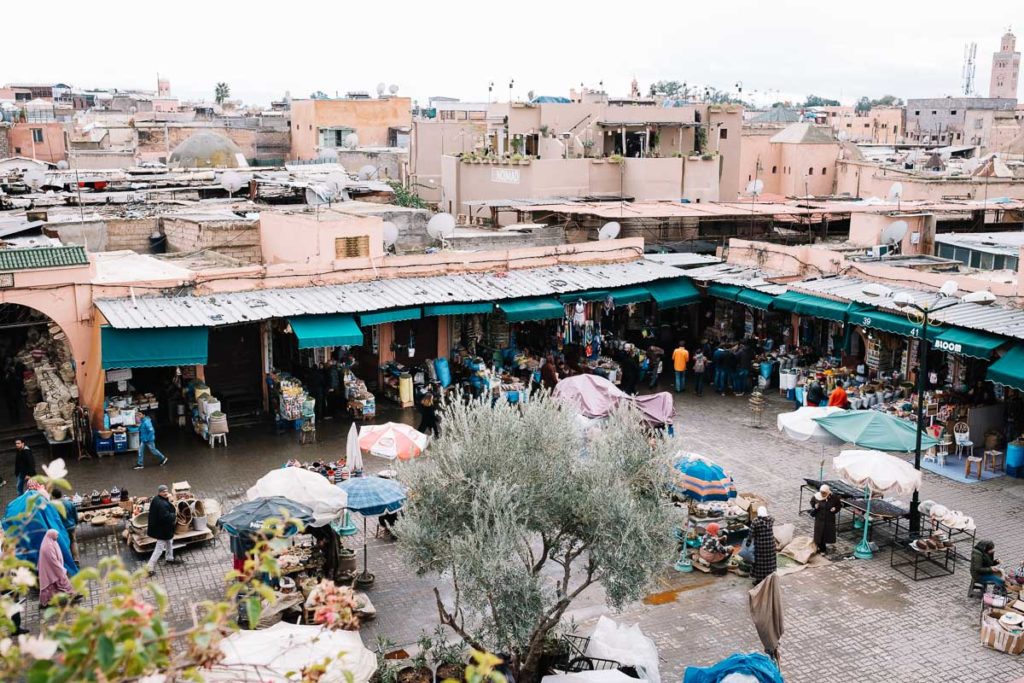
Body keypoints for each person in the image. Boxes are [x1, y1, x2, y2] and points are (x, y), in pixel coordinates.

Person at [146, 484, 181, 574]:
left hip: (161, 528)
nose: (165, 493)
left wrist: (169, 500)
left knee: (169, 542)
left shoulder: (156, 499)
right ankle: (149, 567)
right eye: (163, 492)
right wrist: (174, 515)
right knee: (159, 548)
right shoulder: (162, 504)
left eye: (166, 491)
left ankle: (169, 558)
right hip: (163, 530)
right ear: (159, 493)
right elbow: (165, 517)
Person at [38, 529, 76, 608]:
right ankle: (71, 594)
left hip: (52, 568)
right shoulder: (47, 547)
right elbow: (52, 560)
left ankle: (70, 595)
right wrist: (60, 569)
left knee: (54, 584)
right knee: (56, 582)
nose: (57, 536)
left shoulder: (51, 542)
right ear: (52, 535)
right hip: (49, 569)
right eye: (56, 535)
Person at [811, 484, 842, 555]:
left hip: (828, 519)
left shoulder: (834, 497)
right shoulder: (816, 496)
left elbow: (839, 505)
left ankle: (822, 549)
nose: (822, 494)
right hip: (819, 519)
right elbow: (812, 502)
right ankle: (820, 548)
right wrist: (815, 506)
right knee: (818, 535)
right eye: (821, 493)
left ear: (828, 492)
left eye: (824, 493)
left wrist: (835, 509)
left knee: (825, 535)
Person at [51, 488, 79, 565]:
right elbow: (75, 515)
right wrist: (76, 523)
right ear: (61, 495)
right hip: (71, 527)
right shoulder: (69, 503)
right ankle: (76, 559)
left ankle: (66, 562)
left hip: (60, 528)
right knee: (73, 542)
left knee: (63, 545)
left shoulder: (52, 506)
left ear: (53, 496)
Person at [749, 506, 776, 585]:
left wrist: (748, 543)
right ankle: (769, 577)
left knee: (760, 563)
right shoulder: (771, 520)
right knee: (769, 562)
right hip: (771, 545)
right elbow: (771, 517)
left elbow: (751, 534)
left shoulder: (755, 522)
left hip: (760, 546)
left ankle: (759, 580)